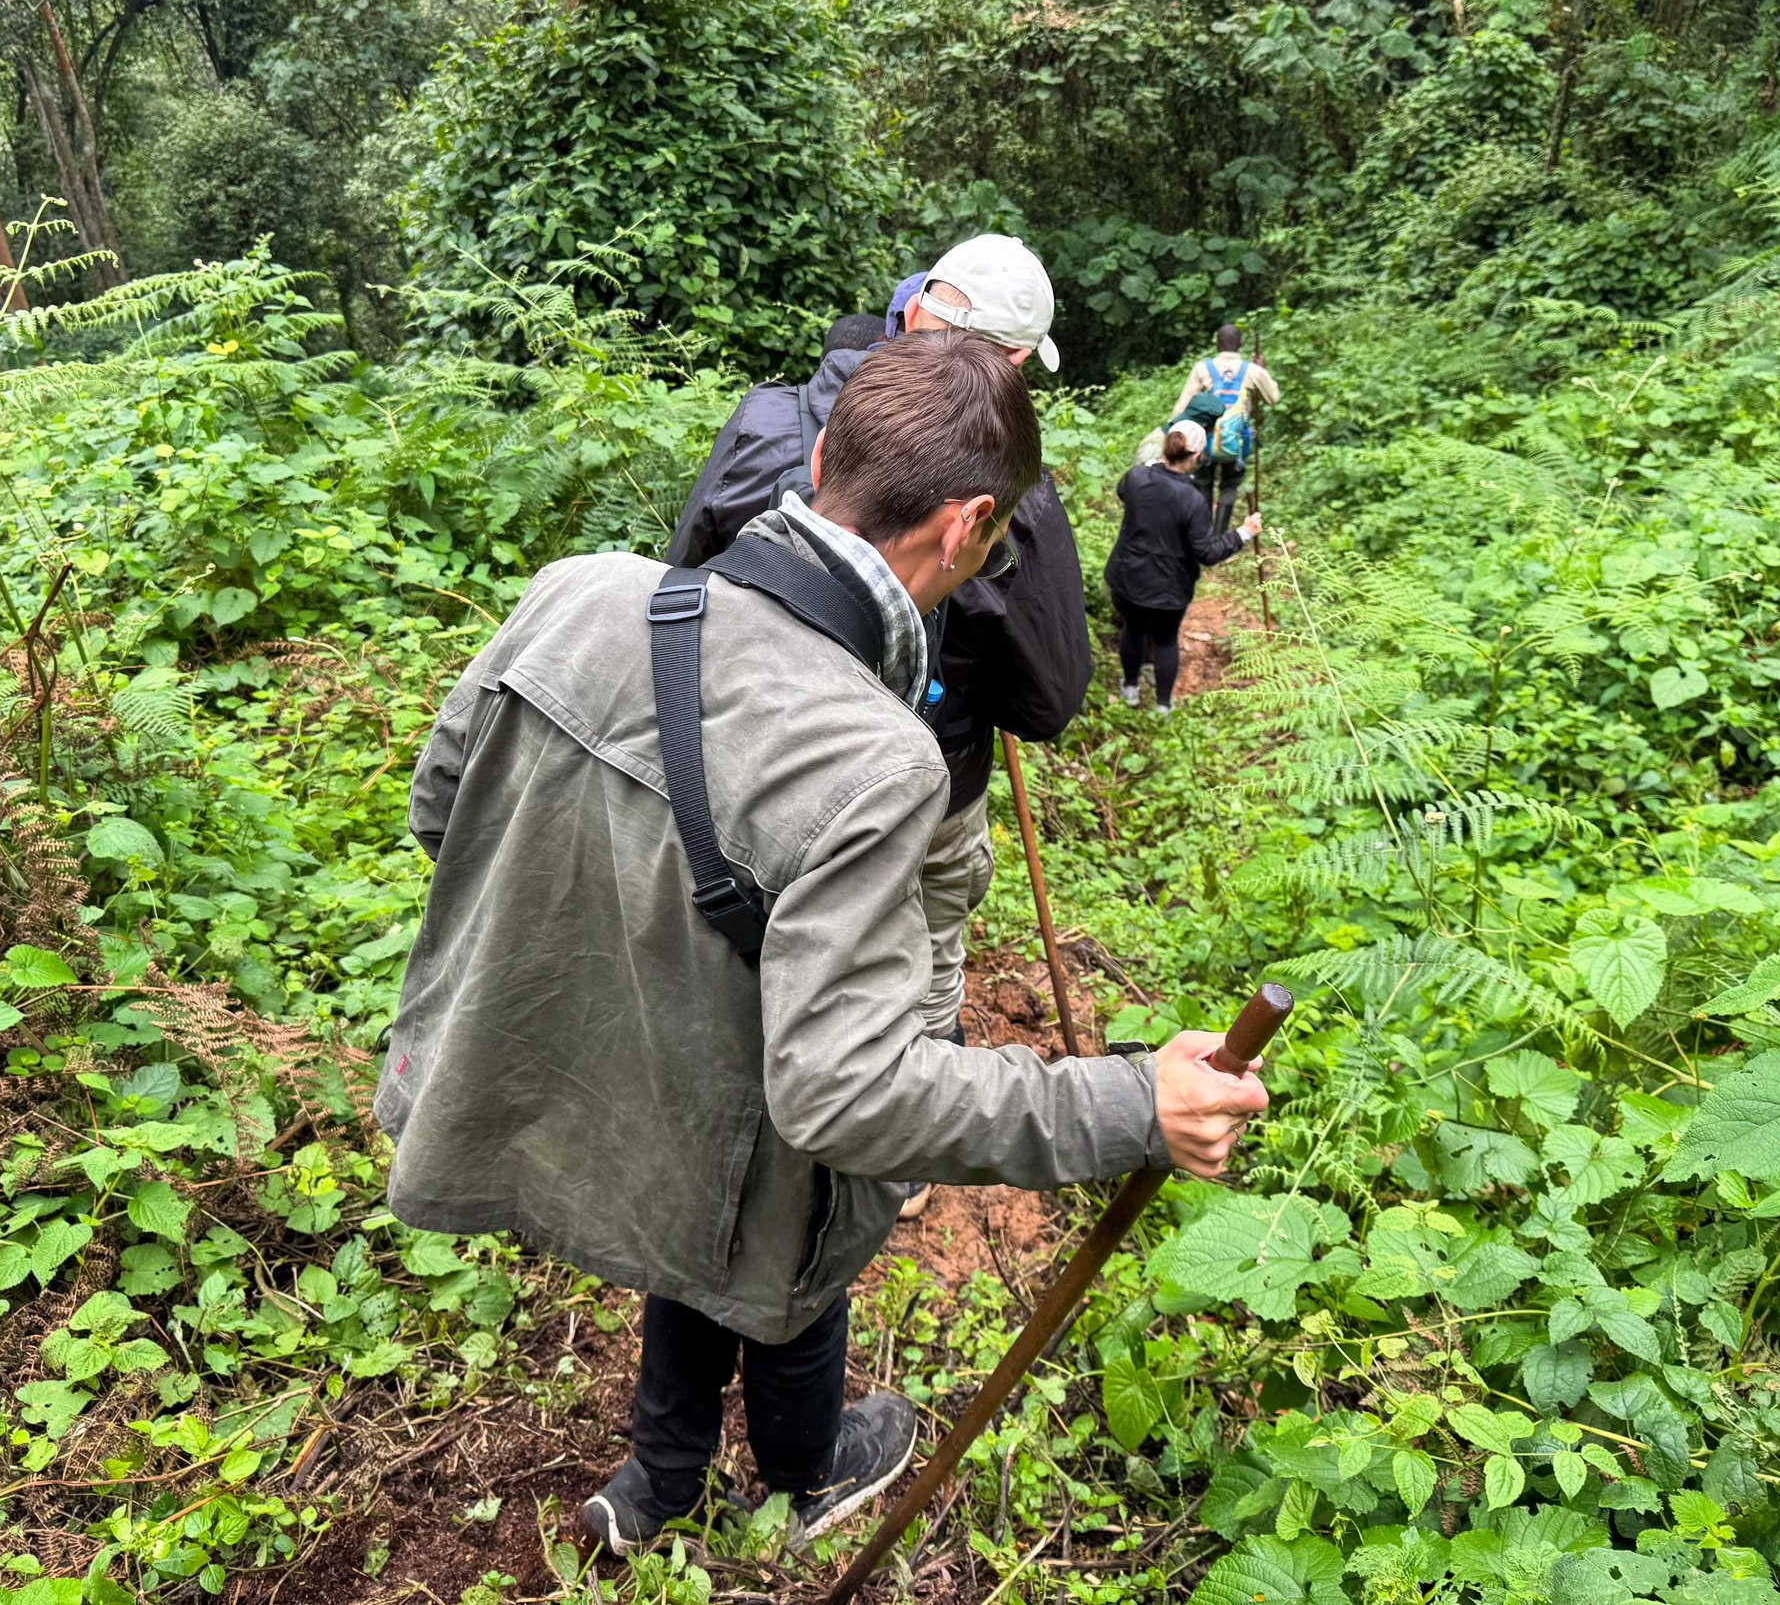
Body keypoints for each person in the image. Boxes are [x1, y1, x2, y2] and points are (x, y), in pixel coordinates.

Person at [378, 336, 1271, 1559]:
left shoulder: (577, 591)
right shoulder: (874, 758)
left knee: (717, 1217)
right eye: (997, 544)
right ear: (968, 526)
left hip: (585, 1092)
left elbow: (444, 812)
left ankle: (664, 1479)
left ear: (819, 464)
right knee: (797, 1212)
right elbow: (846, 1096)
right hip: (737, 1141)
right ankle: (804, 1472)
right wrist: (1132, 1103)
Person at [664, 235, 1092, 1076]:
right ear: (1014, 362)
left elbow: (683, 589)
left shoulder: (767, 420)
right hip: (925, 792)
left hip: (732, 761)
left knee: (741, 947)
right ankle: (909, 1104)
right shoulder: (1009, 492)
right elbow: (1047, 699)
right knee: (916, 989)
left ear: (914, 307)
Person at [1104, 420, 1263, 716]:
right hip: (1169, 589)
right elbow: (1207, 553)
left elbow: (1123, 491)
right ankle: (1163, 705)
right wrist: (1243, 533)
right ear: (1197, 456)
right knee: (1165, 640)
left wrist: (1151, 467)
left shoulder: (1137, 477)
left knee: (1133, 629)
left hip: (1127, 577)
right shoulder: (1193, 499)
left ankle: (1130, 689)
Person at [1171, 323, 1283, 534]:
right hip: (1237, 442)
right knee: (1229, 485)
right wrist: (1262, 370)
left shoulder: (1202, 368)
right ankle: (1219, 536)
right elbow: (1274, 398)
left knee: (1204, 482)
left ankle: (1202, 534)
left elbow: (1183, 406)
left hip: (1205, 440)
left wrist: (1174, 432)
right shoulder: (1252, 370)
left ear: (1217, 344)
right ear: (1239, 345)